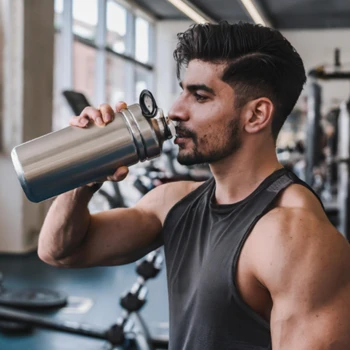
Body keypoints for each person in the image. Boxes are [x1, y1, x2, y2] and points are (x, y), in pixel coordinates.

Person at [38, 22, 350, 349]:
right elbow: (59, 252)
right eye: (182, 90)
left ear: (256, 115)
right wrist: (88, 168)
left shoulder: (295, 236)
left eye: (199, 96)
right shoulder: (174, 201)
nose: (175, 110)